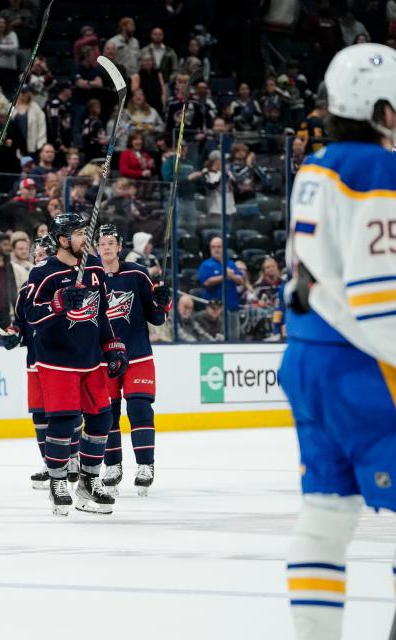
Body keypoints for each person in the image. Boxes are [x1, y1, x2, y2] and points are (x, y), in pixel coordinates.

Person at [277, 43, 396, 640]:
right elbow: (380, 302)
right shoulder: (376, 171)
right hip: (365, 367)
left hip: (308, 354)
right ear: (383, 109)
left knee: (326, 513)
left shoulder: (317, 165)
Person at [22, 211, 128, 516]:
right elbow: (31, 317)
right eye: (79, 234)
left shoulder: (94, 267)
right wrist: (57, 304)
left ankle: (89, 480)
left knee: (101, 419)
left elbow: (104, 312)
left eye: (85, 233)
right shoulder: (42, 273)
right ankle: (57, 481)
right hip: (57, 362)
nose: (86, 239)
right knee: (64, 422)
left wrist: (113, 347)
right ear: (62, 239)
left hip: (90, 360)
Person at [94, 225, 170, 497]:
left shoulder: (137, 274)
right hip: (105, 359)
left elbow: (157, 317)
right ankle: (112, 465)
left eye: (110, 242)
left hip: (138, 355)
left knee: (139, 408)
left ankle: (145, 465)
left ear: (119, 245)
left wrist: (163, 301)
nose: (106, 247)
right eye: (101, 242)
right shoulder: (91, 277)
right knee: (108, 415)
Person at [3, 235, 55, 487]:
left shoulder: (63, 286)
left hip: (61, 362)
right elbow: (19, 324)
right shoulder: (25, 291)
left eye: (44, 254)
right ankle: (50, 462)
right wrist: (13, 335)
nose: (38, 258)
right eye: (37, 254)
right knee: (40, 414)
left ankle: (73, 459)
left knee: (65, 413)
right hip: (35, 361)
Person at [198, 235, 244, 319]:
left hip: (232, 307)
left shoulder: (231, 264)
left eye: (219, 247)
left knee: (234, 332)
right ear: (210, 249)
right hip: (214, 309)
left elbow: (240, 280)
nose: (216, 249)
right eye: (213, 247)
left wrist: (232, 276)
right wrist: (224, 276)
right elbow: (206, 282)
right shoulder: (206, 265)